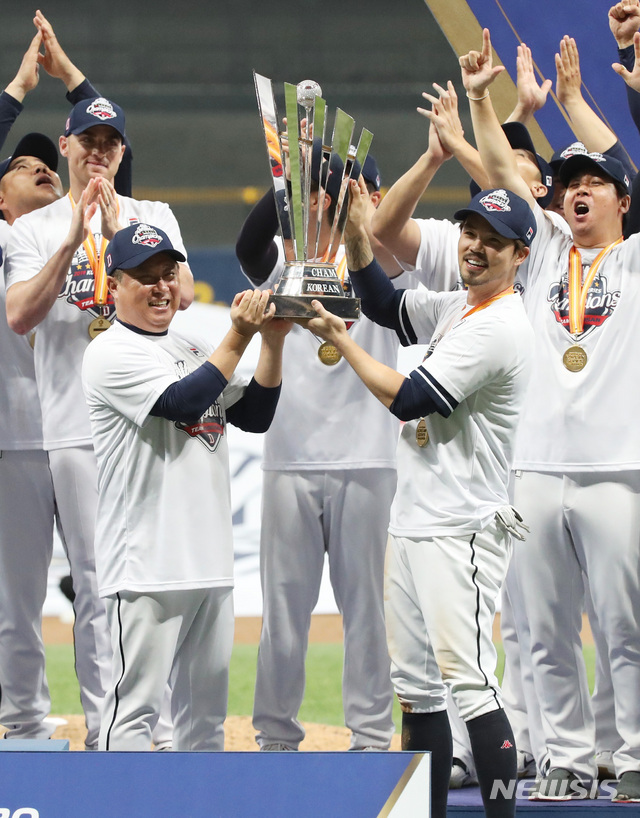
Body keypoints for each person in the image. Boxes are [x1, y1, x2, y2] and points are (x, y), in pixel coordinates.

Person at [308, 177, 534, 818]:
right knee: (417, 691)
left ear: (520, 255)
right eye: (470, 234)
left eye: (495, 242)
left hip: (462, 527)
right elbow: (383, 303)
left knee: (473, 683)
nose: (476, 248)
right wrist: (357, 237)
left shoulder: (501, 325)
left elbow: (409, 399)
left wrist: (338, 336)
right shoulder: (463, 307)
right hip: (415, 521)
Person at [460, 28, 640, 803]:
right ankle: (565, 757)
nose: (574, 189)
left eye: (591, 182)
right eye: (566, 182)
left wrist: (574, 103)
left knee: (627, 632)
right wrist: (479, 101)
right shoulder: (540, 261)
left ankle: (631, 756)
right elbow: (503, 174)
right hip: (534, 470)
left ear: (621, 199)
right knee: (541, 633)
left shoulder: (633, 262)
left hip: (617, 469)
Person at [4, 89, 192, 749]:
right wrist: (71, 234)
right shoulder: (30, 228)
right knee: (93, 583)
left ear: (122, 152)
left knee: (145, 581)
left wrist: (115, 235)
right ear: (68, 146)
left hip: (143, 425)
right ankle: (108, 729)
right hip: (70, 427)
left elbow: (185, 295)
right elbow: (22, 314)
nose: (99, 153)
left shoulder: (153, 214)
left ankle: (155, 726)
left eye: (110, 144)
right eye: (88, 142)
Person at [81, 223, 288, 750]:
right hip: (148, 563)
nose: (159, 287)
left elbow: (256, 415)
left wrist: (273, 343)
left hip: (210, 563)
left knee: (205, 724)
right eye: (144, 277)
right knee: (134, 715)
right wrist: (240, 334)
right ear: (114, 286)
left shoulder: (191, 341)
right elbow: (182, 403)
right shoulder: (110, 352)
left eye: (167, 275)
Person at [236, 146, 402, 752]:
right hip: (290, 459)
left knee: (369, 617)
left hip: (368, 458)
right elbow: (246, 248)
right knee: (282, 614)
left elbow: (386, 245)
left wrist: (354, 210)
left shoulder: (386, 266)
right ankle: (275, 737)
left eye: (360, 190)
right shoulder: (281, 264)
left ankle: (370, 737)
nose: (335, 201)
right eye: (329, 192)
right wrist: (291, 177)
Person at [0, 13, 137, 745]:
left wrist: (71, 77)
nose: (44, 170)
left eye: (47, 162)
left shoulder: (98, 206)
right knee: (16, 598)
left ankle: (103, 723)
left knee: (96, 579)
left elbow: (106, 148)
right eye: (23, 166)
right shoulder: (12, 237)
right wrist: (22, 85)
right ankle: (20, 718)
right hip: (12, 436)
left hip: (76, 430)